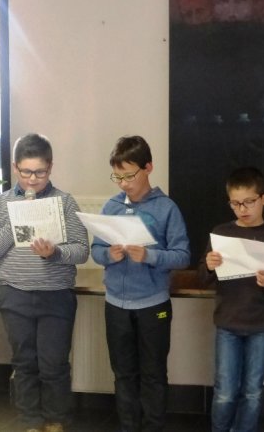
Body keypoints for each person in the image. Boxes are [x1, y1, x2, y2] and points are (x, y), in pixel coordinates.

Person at [0, 133, 89, 432]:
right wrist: (16, 223)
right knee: (24, 363)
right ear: (15, 167)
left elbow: (82, 251)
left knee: (54, 364)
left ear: (50, 167)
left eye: (40, 173)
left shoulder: (64, 201)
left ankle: (56, 421)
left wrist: (55, 253)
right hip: (14, 295)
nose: (32, 179)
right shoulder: (0, 203)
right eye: (26, 172)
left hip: (55, 295)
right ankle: (30, 421)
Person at [91, 135, 191, 432]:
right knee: (123, 374)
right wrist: (108, 255)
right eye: (118, 177)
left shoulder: (167, 208)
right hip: (116, 304)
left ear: (148, 168)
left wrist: (150, 256)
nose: (123, 183)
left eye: (129, 175)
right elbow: (96, 250)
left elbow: (182, 256)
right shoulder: (111, 207)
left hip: (153, 304)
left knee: (153, 375)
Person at [198, 167, 264, 432]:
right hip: (227, 323)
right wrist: (209, 266)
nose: (242, 209)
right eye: (235, 203)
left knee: (252, 391)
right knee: (225, 391)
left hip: (260, 325)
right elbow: (203, 277)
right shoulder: (221, 233)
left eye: (249, 202)